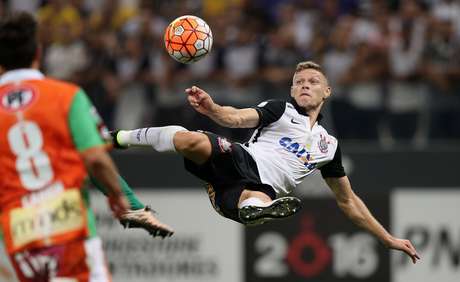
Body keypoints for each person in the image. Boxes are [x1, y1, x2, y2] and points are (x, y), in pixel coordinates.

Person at [111, 61, 421, 264]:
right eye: (298, 81)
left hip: (247, 192)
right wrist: (213, 108)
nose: (304, 85)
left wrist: (388, 239)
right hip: (239, 159)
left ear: (327, 91)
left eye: (313, 81)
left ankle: (257, 211)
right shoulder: (280, 110)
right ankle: (119, 138)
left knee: (255, 200)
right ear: (291, 90)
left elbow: (348, 200)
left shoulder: (329, 146)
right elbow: (234, 117)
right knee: (188, 139)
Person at [0, 12, 171, 282]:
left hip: (17, 240)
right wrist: (129, 205)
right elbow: (95, 159)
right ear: (38, 52)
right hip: (70, 236)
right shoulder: (67, 96)